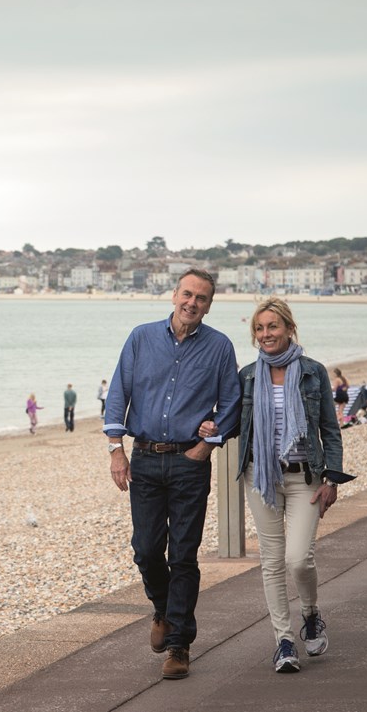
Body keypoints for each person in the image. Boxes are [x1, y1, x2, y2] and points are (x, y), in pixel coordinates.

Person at [104, 268, 242, 680]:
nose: (192, 303)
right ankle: (162, 610)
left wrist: (207, 444)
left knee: (183, 554)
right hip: (144, 459)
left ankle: (179, 644)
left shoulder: (219, 347)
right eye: (187, 294)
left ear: (209, 305)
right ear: (173, 295)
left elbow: (231, 404)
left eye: (201, 298)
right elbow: (118, 394)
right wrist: (116, 449)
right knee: (146, 549)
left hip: (189, 464)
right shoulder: (141, 338)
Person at [234, 297, 355, 674]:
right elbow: (232, 421)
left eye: (272, 326)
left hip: (305, 477)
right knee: (271, 562)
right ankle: (284, 641)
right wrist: (207, 427)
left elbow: (329, 431)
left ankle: (310, 612)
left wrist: (332, 478)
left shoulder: (312, 372)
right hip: (261, 476)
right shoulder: (247, 375)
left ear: (289, 328)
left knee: (298, 559)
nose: (266, 334)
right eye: (259, 328)